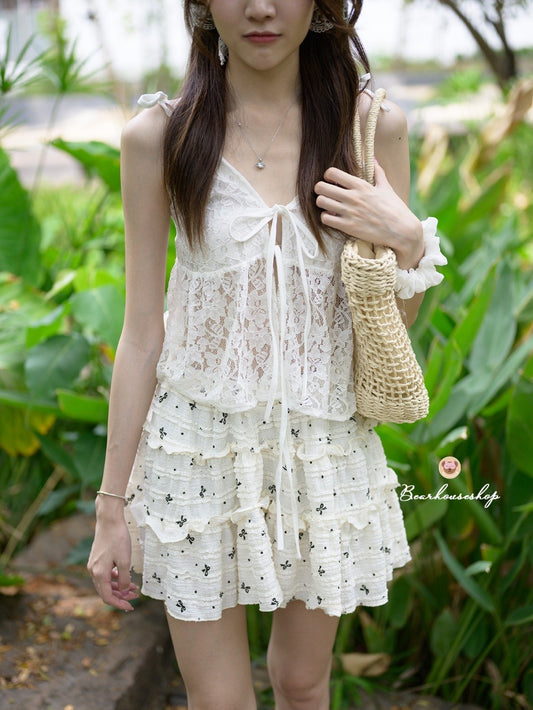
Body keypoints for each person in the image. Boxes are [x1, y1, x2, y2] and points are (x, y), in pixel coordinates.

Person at [88, 1, 446, 709]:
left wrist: (407, 239)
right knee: (219, 700)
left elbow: (388, 325)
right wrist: (111, 508)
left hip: (324, 449)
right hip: (197, 453)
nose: (259, 8)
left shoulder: (370, 130)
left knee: (302, 683)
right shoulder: (159, 136)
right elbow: (142, 331)